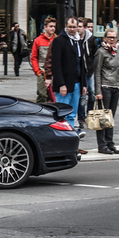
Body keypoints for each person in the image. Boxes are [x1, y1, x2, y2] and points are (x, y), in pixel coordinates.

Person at [50, 16, 88, 148]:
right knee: (62, 114)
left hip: (77, 82)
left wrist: (84, 84)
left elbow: (81, 64)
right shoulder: (59, 41)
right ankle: (61, 142)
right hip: (65, 84)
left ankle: (71, 144)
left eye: (74, 27)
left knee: (72, 114)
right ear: (65, 27)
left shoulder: (78, 41)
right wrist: (61, 84)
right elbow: (56, 65)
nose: (72, 29)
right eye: (70, 27)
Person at [93, 28, 119, 155]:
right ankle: (102, 144)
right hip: (105, 86)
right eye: (110, 37)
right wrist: (98, 91)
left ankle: (110, 143)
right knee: (103, 117)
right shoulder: (101, 52)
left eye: (114, 37)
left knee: (111, 117)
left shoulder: (117, 52)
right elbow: (97, 72)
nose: (112, 40)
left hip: (115, 87)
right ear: (105, 38)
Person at [77, 17, 98, 127]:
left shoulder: (91, 39)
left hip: (89, 70)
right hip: (80, 71)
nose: (78, 29)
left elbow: (95, 53)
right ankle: (81, 118)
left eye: (80, 27)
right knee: (83, 96)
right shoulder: (75, 39)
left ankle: (90, 114)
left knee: (92, 93)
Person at [30, 16, 56, 103]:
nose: (53, 29)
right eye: (51, 26)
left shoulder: (57, 39)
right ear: (45, 27)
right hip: (42, 71)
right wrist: (37, 70)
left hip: (55, 71)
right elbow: (34, 57)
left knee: (53, 95)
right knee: (42, 94)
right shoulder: (38, 40)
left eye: (54, 26)